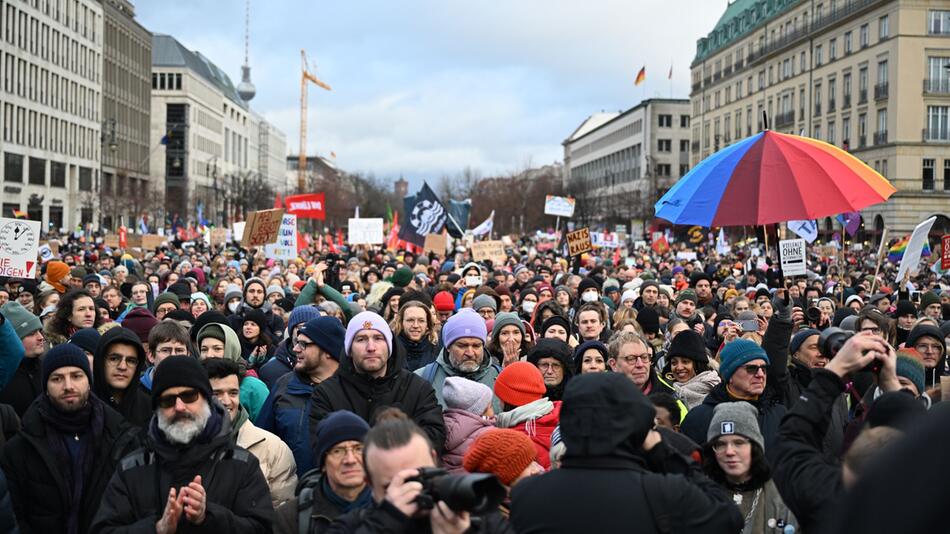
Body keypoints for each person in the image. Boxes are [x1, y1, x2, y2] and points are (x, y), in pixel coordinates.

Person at [510, 373, 743, 533]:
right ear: (638, 426)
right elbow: (729, 518)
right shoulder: (664, 491)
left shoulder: (526, 495)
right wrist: (660, 449)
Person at [91, 356, 274, 533]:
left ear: (207, 400)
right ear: (157, 408)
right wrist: (155, 528)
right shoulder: (132, 467)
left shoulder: (242, 464)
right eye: (168, 400)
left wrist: (208, 517)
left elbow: (262, 528)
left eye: (189, 396)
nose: (179, 407)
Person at [771, 332, 905, 533]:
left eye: (821, 348)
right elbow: (926, 445)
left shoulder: (826, 499)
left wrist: (833, 373)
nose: (820, 354)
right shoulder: (918, 501)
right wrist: (891, 382)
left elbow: (792, 441)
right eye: (813, 348)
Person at [1, 344, 138, 534]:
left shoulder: (121, 438)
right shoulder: (20, 449)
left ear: (89, 381)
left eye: (76, 376)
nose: (68, 386)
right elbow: (16, 517)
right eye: (57, 379)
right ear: (46, 387)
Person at [326, 417, 510, 533]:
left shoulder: (478, 513)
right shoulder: (351, 526)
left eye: (420, 478)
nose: (412, 492)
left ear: (434, 459)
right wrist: (387, 521)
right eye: (393, 486)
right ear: (369, 483)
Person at [309, 312, 445, 454]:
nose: (371, 347)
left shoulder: (418, 388)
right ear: (349, 348)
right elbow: (322, 446)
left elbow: (433, 438)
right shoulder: (326, 394)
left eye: (378, 338)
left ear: (389, 345)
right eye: (361, 339)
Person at [258, 317, 345, 476]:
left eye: (304, 344)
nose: (296, 349)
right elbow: (262, 443)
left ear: (327, 350)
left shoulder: (351, 389)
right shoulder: (284, 386)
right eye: (297, 342)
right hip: (291, 493)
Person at [204, 358, 297, 507]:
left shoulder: (273, 449)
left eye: (233, 393)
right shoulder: (183, 446)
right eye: (217, 394)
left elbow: (281, 517)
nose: (227, 401)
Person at [680, 339, 787, 456]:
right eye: (751, 369)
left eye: (764, 369)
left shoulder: (780, 414)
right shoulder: (699, 418)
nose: (760, 375)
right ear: (729, 375)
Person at [703, 402, 797, 534]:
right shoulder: (700, 494)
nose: (729, 451)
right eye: (721, 444)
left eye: (739, 443)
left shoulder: (782, 495)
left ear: (755, 447)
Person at [276, 411, 372, 534]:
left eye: (359, 449)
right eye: (338, 451)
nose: (350, 460)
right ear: (323, 464)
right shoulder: (290, 518)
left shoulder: (395, 509)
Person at [415, 309, 502, 413]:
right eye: (462, 346)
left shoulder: (500, 379)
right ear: (448, 347)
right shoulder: (422, 379)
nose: (470, 353)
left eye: (476, 346)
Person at [197, 320, 270, 421]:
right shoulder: (195, 384)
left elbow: (264, 427)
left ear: (231, 349)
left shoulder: (253, 387)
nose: (209, 355)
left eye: (217, 349)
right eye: (204, 349)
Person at [493, 361, 560, 469]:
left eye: (500, 397)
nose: (498, 402)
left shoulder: (514, 442)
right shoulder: (560, 417)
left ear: (507, 399)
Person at [463, 429, 544, 517]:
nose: (537, 469)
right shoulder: (497, 523)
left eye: (534, 461)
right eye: (527, 465)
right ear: (504, 479)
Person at [93, 327, 152, 427]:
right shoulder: (84, 404)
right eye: (114, 359)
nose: (122, 367)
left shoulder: (149, 408)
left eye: (131, 361)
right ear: (101, 361)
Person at [258, 306, 323, 389]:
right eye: (301, 327)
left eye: (312, 326)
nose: (307, 331)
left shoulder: (328, 369)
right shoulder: (269, 371)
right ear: (291, 331)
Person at [441, 377, 495, 473]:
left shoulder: (440, 426)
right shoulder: (489, 434)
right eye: (490, 407)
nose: (493, 413)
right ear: (479, 411)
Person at [0, 301, 42, 417]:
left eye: (40, 331)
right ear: (15, 338)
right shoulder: (4, 377)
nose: (41, 338)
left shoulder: (47, 368)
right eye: (32, 333)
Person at [662, 330, 720, 410]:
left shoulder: (717, 390)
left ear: (698, 364)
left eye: (685, 362)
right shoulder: (666, 391)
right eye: (674, 363)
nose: (679, 367)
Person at [139, 321, 191, 393]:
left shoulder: (197, 390)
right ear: (151, 355)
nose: (173, 356)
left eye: (179, 350)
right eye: (165, 350)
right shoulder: (134, 391)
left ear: (188, 355)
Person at [392, 301, 440, 372]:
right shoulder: (391, 350)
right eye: (410, 320)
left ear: (427, 324)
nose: (415, 325)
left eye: (421, 321)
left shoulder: (437, 351)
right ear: (401, 323)